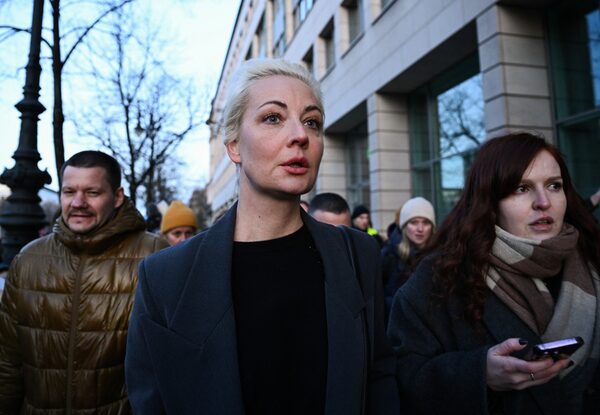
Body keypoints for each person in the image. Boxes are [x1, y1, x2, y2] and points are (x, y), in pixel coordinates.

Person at [125, 58, 399, 414]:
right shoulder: (165, 276)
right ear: (234, 145)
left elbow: (379, 379)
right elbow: (152, 400)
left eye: (312, 122)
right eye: (273, 118)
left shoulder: (358, 254)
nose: (300, 135)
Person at [387, 132, 600, 414]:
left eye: (554, 185)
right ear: (489, 200)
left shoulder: (592, 259)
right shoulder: (440, 277)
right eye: (521, 188)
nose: (543, 201)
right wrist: (479, 374)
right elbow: (401, 377)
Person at [0, 150, 168, 414]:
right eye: (69, 192)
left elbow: (170, 364)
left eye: (92, 192)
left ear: (117, 197)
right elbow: (8, 361)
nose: (78, 202)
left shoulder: (155, 255)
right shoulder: (28, 259)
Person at [381, 196, 435, 319]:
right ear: (404, 226)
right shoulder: (388, 255)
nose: (420, 229)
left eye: (426, 222)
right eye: (414, 222)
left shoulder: (441, 257)